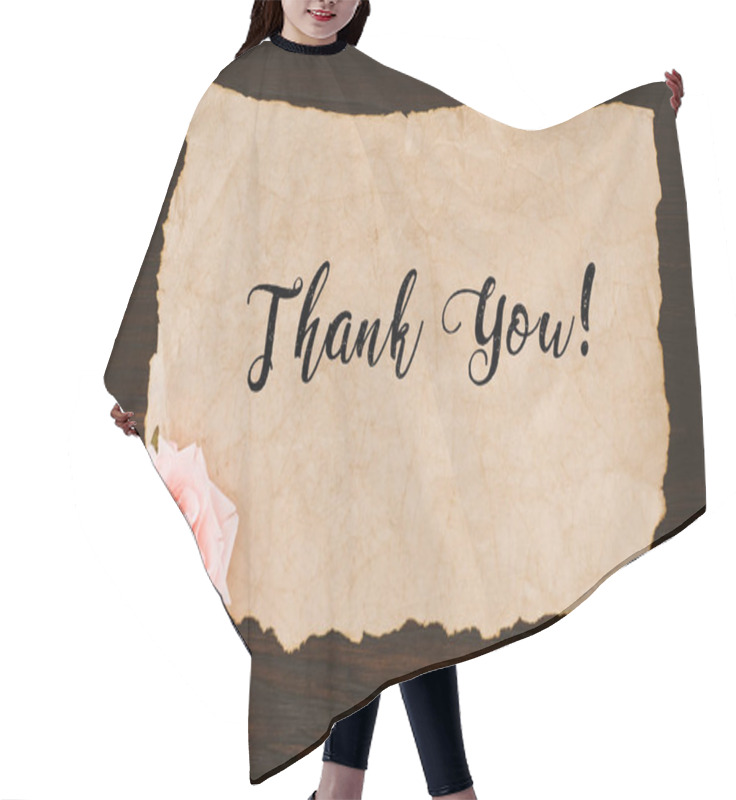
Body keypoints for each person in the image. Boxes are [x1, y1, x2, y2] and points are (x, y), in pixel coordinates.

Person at [110, 2, 684, 798]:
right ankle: (427, 791)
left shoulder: (373, 88)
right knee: (373, 588)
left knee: (400, 580)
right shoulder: (239, 92)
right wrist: (149, 373)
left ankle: (349, 788)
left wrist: (631, 137)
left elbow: (486, 184)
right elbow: (196, 247)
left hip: (383, 392)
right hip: (295, 403)